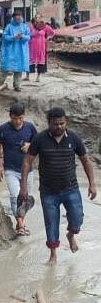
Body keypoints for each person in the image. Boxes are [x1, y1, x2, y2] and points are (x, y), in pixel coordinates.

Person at [19, 107, 97, 264]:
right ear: (49, 123)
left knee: (77, 218)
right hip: (48, 191)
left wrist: (92, 184)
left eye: (62, 123)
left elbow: (85, 160)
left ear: (66, 122)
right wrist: (24, 186)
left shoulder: (73, 138)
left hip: (71, 188)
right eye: (56, 124)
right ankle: (53, 255)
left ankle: (71, 235)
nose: (59, 126)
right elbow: (27, 161)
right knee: (51, 222)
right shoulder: (40, 139)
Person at [0, 103, 38, 236]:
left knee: (24, 199)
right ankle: (21, 224)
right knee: (15, 197)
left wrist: (30, 145)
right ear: (10, 116)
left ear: (24, 116)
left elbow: (38, 144)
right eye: (14, 118)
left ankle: (20, 223)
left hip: (28, 170)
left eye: (20, 118)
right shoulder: (2, 129)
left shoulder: (30, 127)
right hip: (10, 169)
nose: (17, 121)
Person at [0, 11, 30, 92]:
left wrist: (22, 36)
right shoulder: (9, 27)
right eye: (16, 18)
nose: (18, 19)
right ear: (13, 18)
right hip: (10, 52)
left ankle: (17, 85)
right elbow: (4, 37)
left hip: (20, 52)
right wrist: (13, 37)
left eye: (19, 17)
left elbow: (28, 37)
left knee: (18, 70)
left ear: (21, 18)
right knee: (5, 69)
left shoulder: (25, 27)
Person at [26, 14, 55, 82]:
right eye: (36, 17)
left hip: (41, 46)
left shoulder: (44, 26)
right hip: (31, 46)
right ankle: (27, 76)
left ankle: (38, 77)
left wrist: (47, 38)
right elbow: (27, 34)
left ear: (41, 18)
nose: (37, 18)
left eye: (39, 17)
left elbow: (52, 32)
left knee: (40, 61)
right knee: (29, 60)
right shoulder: (31, 26)